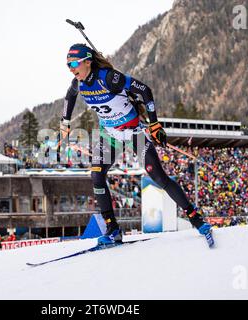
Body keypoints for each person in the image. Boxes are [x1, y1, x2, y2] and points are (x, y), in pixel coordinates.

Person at [61, 43, 212, 245]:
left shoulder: (108, 77)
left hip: (134, 133)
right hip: (110, 135)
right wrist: (65, 122)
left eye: (73, 63)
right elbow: (69, 98)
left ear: (87, 61)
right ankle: (113, 230)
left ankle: (197, 220)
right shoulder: (78, 83)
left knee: (159, 177)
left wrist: (154, 123)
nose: (70, 68)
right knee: (97, 175)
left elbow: (144, 90)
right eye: (67, 64)